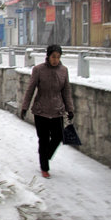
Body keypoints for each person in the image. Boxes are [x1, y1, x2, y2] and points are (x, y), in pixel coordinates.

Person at [20, 44, 74, 178]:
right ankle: (44, 167)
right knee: (43, 140)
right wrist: (24, 107)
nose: (55, 59)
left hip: (57, 110)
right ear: (48, 56)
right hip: (41, 111)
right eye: (53, 56)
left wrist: (70, 109)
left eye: (58, 57)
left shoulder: (63, 71)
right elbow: (30, 89)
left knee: (58, 137)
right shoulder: (38, 70)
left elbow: (66, 91)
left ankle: (46, 155)